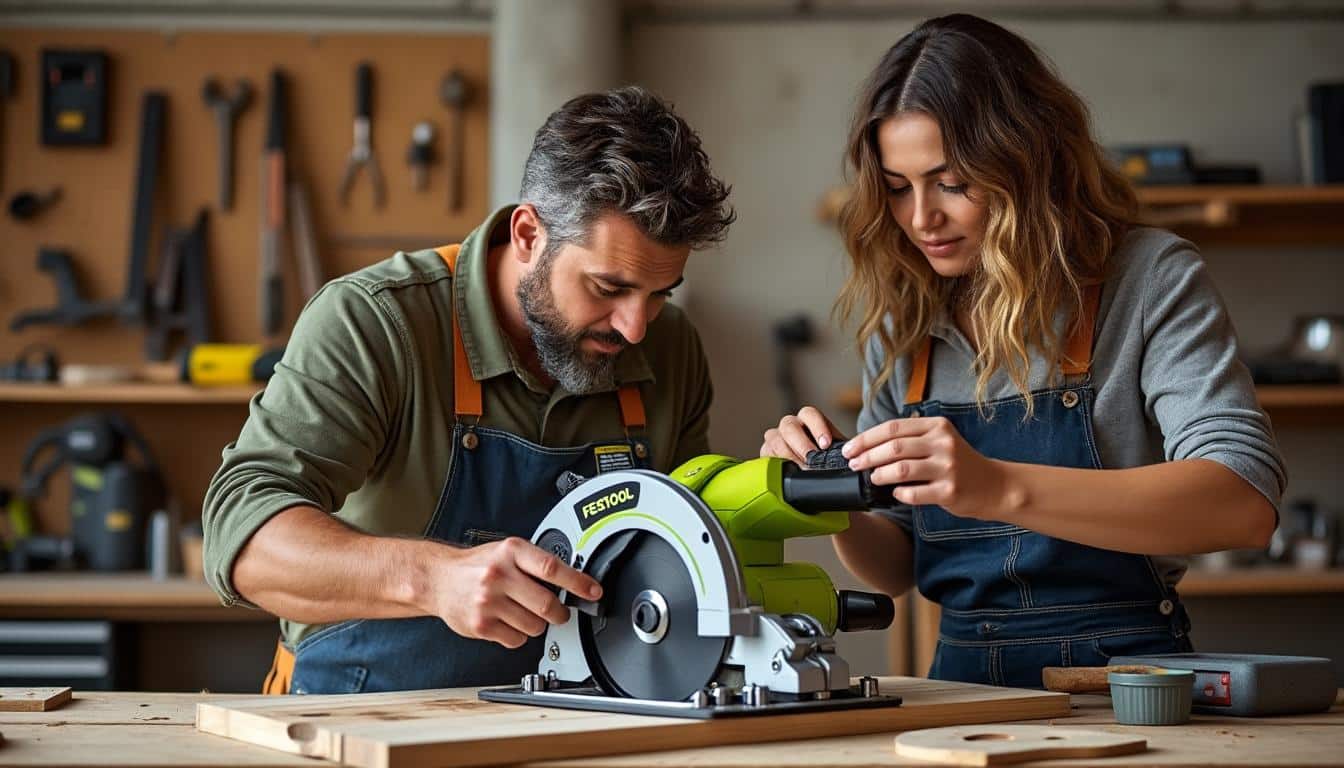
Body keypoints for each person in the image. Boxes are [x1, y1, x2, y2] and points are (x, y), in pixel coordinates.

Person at [760, 14, 1284, 689]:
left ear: (1026, 162)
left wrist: (997, 487)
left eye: (951, 182)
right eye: (897, 187)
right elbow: (895, 567)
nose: (921, 217)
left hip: (1127, 683)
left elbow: (1244, 502)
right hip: (961, 691)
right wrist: (831, 491)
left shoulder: (1148, 277)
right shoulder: (905, 320)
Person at [204, 86, 734, 694]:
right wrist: (432, 579)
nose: (635, 326)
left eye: (660, 293)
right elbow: (241, 539)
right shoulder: (374, 322)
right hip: (357, 722)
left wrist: (773, 490)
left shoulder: (671, 346)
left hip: (582, 725)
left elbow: (691, 546)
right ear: (530, 235)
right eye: (608, 288)